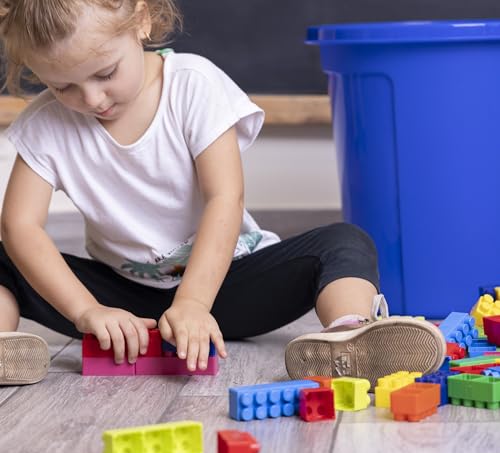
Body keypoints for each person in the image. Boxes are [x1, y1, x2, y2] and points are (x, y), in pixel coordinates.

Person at [0, 0, 445, 387]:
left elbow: (224, 198)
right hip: (122, 307)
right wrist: (86, 312)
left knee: (345, 242)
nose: (93, 99)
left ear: (141, 21)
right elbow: (20, 226)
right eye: (63, 86)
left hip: (229, 284)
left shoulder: (193, 85)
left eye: (105, 73)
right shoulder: (46, 125)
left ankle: (349, 335)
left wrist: (193, 302)